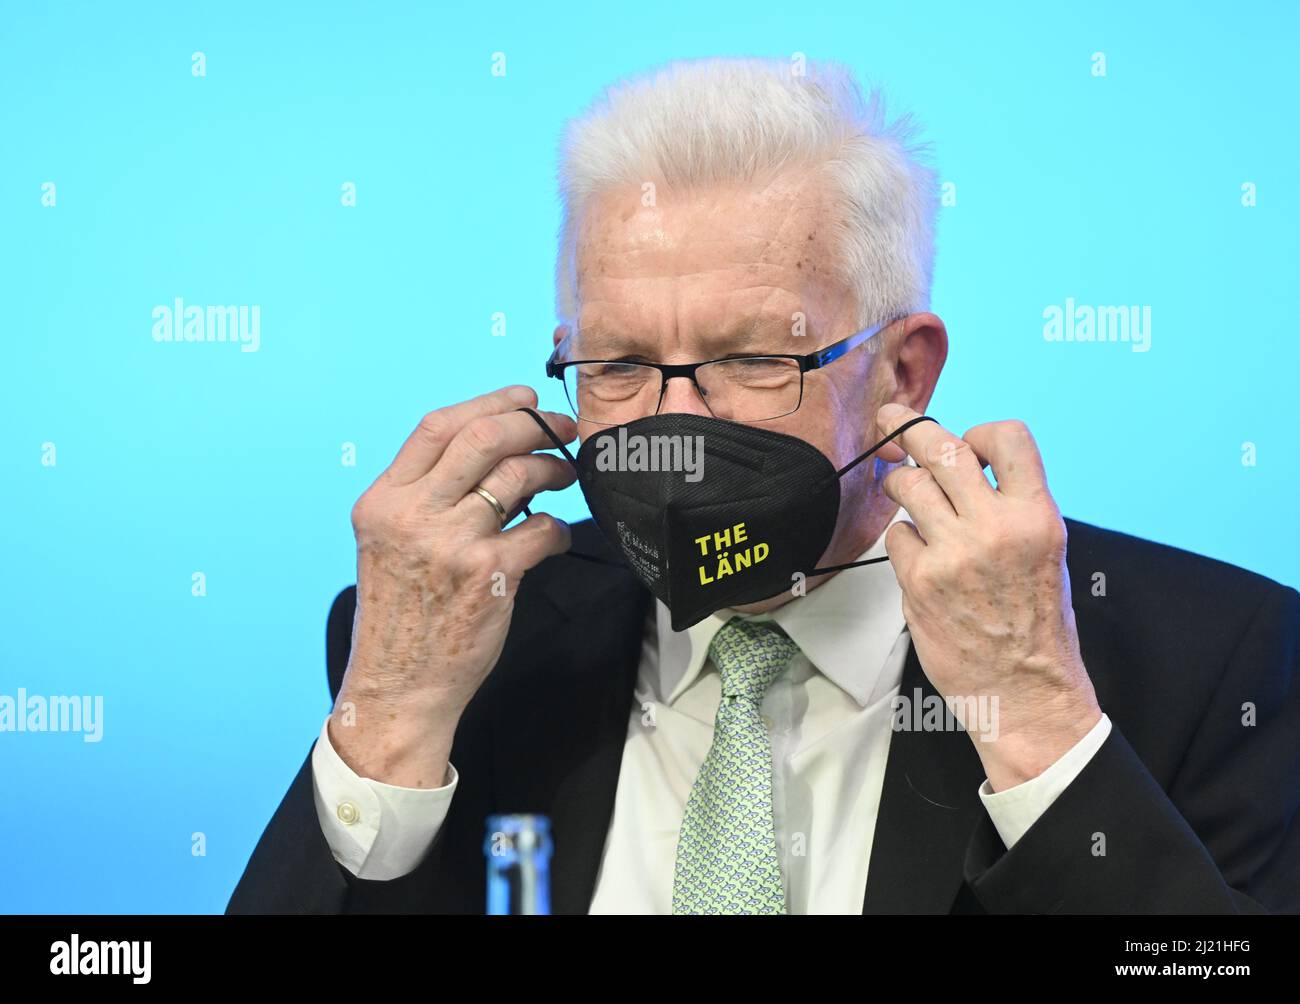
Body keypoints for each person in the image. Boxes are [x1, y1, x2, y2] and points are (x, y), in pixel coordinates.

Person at [228, 57, 1300, 914]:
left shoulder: (1209, 660)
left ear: (901, 372)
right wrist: (387, 722)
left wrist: (1034, 721)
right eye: (616, 363)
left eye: (752, 358)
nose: (669, 426)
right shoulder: (467, 640)